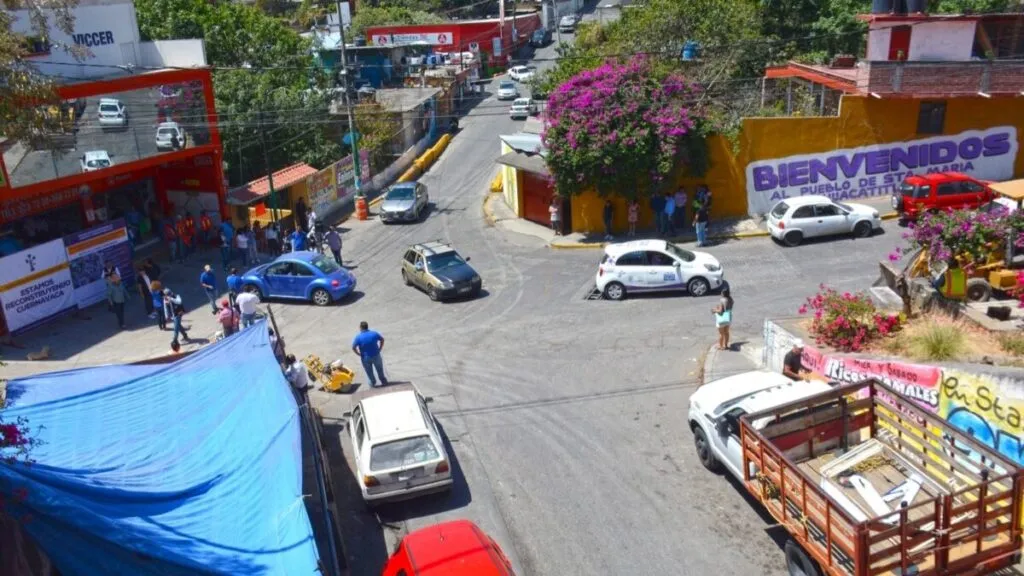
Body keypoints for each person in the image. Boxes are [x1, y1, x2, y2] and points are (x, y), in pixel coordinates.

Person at [352, 321, 388, 387]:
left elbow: (353, 347)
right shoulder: (374, 334)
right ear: (367, 327)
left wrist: (358, 354)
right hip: (376, 355)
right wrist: (380, 348)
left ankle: (373, 384)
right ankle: (383, 382)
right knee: (380, 369)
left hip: (365, 358)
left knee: (369, 372)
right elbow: (382, 339)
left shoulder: (358, 337)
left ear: (360, 328)